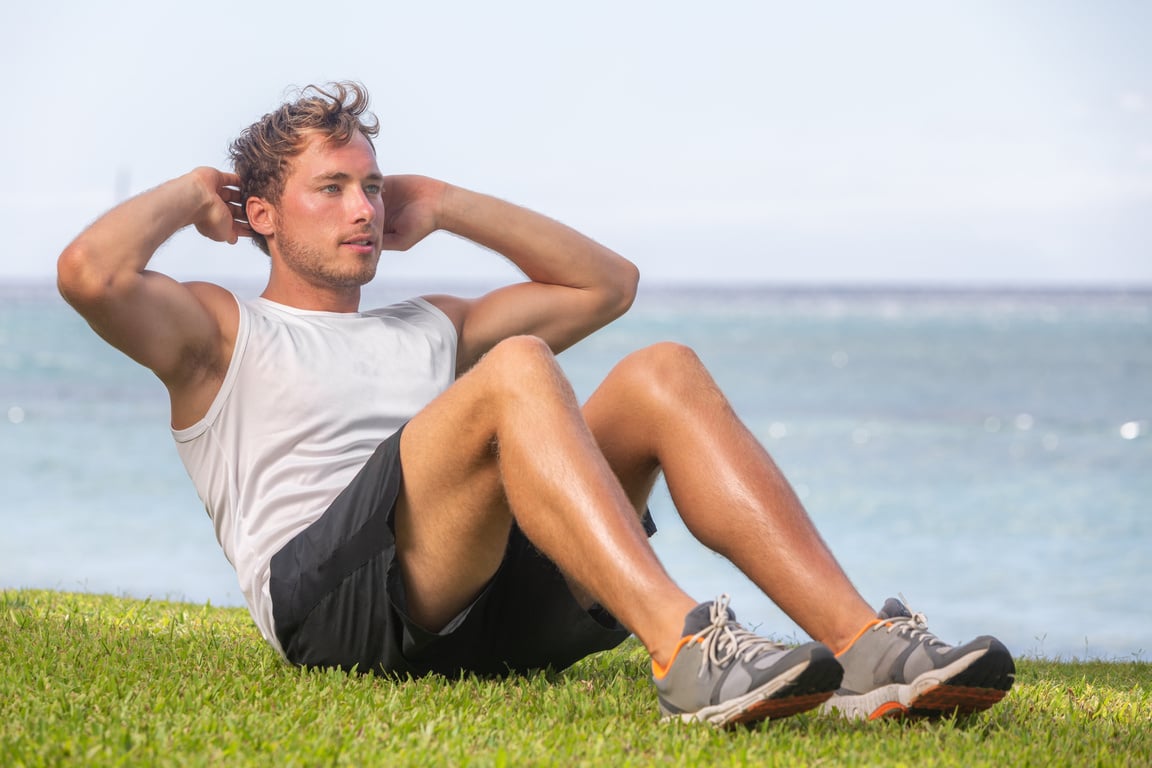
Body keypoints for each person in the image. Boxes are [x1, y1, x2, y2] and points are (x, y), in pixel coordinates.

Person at [56, 81, 1014, 727]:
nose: (363, 210)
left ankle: (871, 652)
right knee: (516, 365)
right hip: (337, 613)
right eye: (332, 188)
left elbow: (609, 285)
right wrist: (191, 193)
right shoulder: (218, 335)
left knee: (661, 370)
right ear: (263, 215)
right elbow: (90, 274)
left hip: (489, 610)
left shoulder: (431, 323)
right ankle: (687, 649)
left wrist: (452, 202)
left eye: (373, 187)